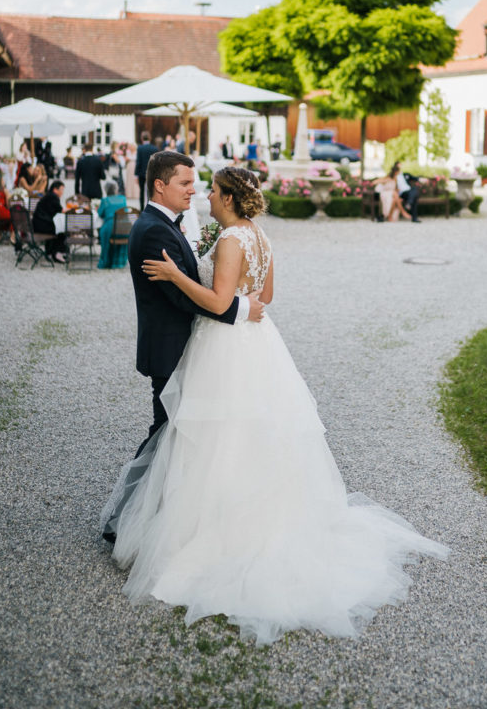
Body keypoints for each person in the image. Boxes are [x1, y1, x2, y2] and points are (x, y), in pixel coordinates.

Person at [102, 165, 449, 645]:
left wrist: (178, 277)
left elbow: (222, 302)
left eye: (213, 191)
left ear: (228, 198)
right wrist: (239, 300)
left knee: (219, 435)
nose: (206, 195)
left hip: (224, 347)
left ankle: (216, 532)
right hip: (259, 343)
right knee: (255, 434)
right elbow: (264, 297)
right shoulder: (260, 237)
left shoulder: (227, 241)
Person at [118, 151, 264, 466]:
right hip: (170, 349)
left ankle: (155, 504)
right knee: (165, 433)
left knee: (177, 433)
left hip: (186, 346)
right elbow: (181, 296)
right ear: (159, 185)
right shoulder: (154, 230)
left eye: (195, 184)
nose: (193, 191)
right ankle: (130, 506)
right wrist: (241, 309)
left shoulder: (163, 224)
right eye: (184, 183)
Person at [32, 181, 68, 262]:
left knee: (58, 227)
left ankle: (50, 252)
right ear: (55, 189)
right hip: (42, 226)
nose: (62, 192)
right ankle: (58, 253)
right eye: (61, 190)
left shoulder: (48, 195)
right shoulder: (53, 197)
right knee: (61, 230)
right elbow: (61, 210)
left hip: (38, 224)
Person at [97, 181, 129, 269]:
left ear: (106, 190)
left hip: (111, 228)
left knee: (104, 230)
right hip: (125, 228)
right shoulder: (123, 199)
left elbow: (100, 214)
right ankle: (119, 261)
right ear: (116, 189)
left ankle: (106, 260)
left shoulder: (105, 201)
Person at [134, 132, 157, 209]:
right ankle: (149, 207)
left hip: (141, 172)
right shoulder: (154, 148)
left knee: (141, 191)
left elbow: (138, 161)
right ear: (150, 138)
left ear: (141, 138)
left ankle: (141, 208)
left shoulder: (140, 148)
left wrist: (136, 175)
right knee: (150, 191)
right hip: (151, 173)